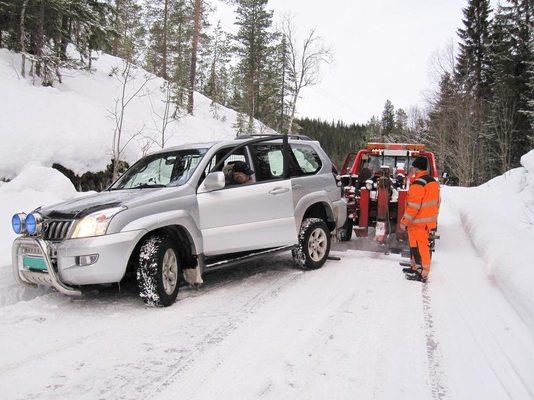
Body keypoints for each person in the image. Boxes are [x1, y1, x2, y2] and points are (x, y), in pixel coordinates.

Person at [400, 156, 440, 283]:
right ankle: (415, 268)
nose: (412, 169)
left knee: (420, 247)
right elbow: (437, 202)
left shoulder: (418, 183)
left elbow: (413, 206)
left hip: (418, 222)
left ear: (416, 167)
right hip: (426, 222)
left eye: (413, 166)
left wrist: (404, 221)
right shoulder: (432, 181)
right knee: (415, 246)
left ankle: (422, 273)